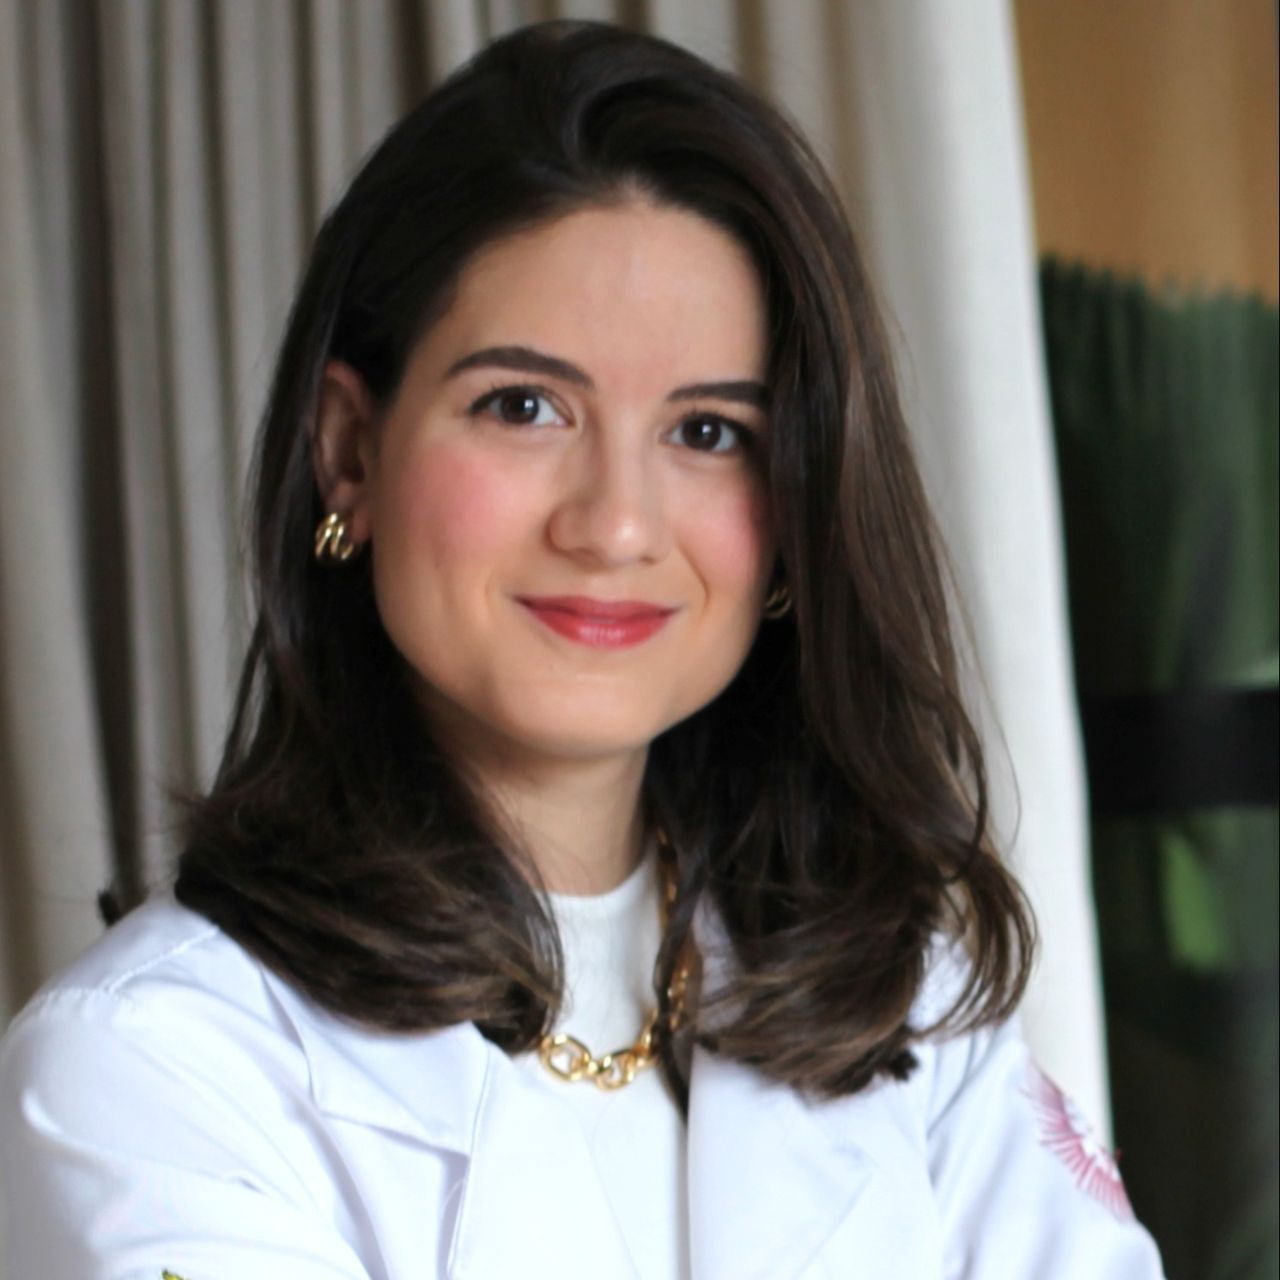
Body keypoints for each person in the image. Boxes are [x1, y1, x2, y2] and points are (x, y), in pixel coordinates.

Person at [0, 19, 1165, 1279]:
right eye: (523, 406)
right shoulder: (145, 1072)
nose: (613, 525)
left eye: (707, 432)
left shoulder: (903, 1002)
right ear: (347, 451)